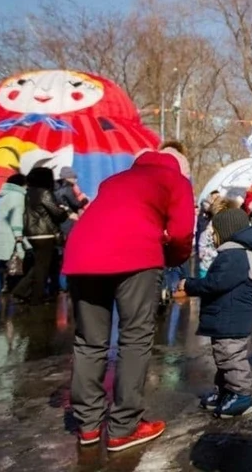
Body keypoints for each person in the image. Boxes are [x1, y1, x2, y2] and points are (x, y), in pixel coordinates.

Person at [62, 147, 195, 452]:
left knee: (89, 341)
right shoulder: (174, 180)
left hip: (83, 252)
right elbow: (181, 233)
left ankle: (89, 425)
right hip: (136, 254)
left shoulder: (116, 180)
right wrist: (171, 260)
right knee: (134, 338)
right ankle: (124, 426)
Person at [179, 207, 252, 418]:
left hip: (230, 318)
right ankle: (226, 391)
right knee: (224, 357)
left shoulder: (234, 255)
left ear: (227, 232)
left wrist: (189, 285)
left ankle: (241, 395)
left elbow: (215, 283)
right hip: (227, 318)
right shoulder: (235, 253)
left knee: (231, 357)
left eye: (215, 234)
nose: (213, 238)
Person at [13, 167, 67, 305]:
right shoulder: (44, 193)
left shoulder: (29, 193)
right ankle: (36, 298)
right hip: (45, 234)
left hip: (32, 233)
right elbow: (56, 213)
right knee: (42, 268)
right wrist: (64, 211)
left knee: (39, 265)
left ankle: (21, 291)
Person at [54, 166, 89, 293]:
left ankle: (60, 285)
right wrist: (84, 199)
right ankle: (69, 284)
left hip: (61, 224)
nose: (76, 179)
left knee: (61, 255)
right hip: (70, 223)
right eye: (74, 177)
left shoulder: (56, 188)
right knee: (70, 253)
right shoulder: (68, 188)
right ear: (68, 177)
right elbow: (76, 204)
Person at [0, 174, 27, 294]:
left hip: (2, 235)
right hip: (12, 235)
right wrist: (19, 235)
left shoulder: (3, 196)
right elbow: (16, 217)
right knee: (16, 263)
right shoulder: (18, 196)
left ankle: (4, 286)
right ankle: (16, 290)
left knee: (4, 264)